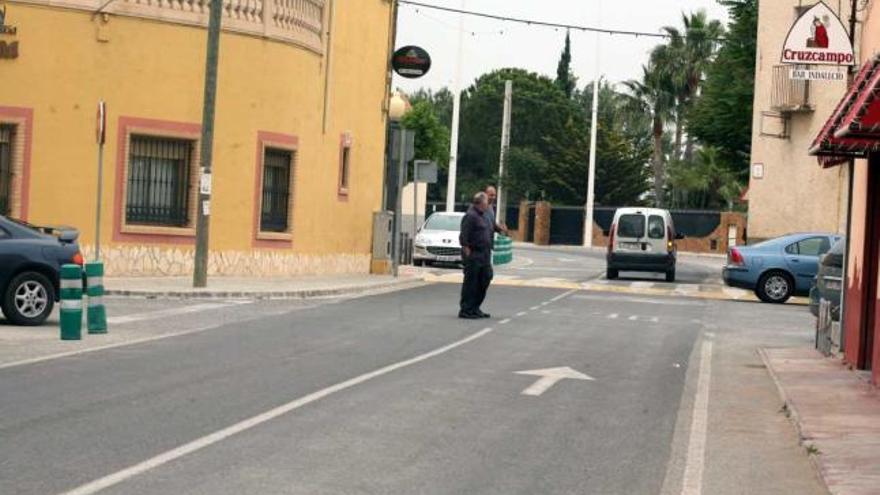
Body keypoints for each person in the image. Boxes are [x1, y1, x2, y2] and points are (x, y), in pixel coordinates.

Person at [459, 192, 494, 319]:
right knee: (471, 283)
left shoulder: (484, 215)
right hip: (474, 254)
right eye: (485, 204)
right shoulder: (470, 216)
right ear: (480, 203)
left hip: (484, 255)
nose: (487, 206)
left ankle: (475, 307)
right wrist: (467, 253)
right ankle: (466, 309)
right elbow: (464, 236)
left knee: (486, 278)